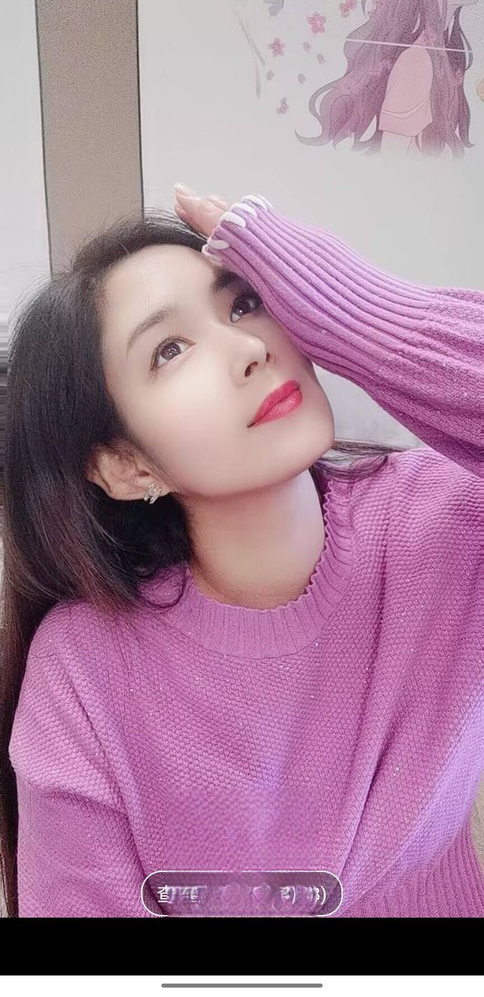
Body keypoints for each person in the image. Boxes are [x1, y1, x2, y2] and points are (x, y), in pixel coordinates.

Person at [1, 185, 482, 917]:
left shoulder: (445, 520)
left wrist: (363, 315)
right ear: (127, 466)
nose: (251, 350)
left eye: (244, 304)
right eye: (169, 350)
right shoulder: (84, 671)